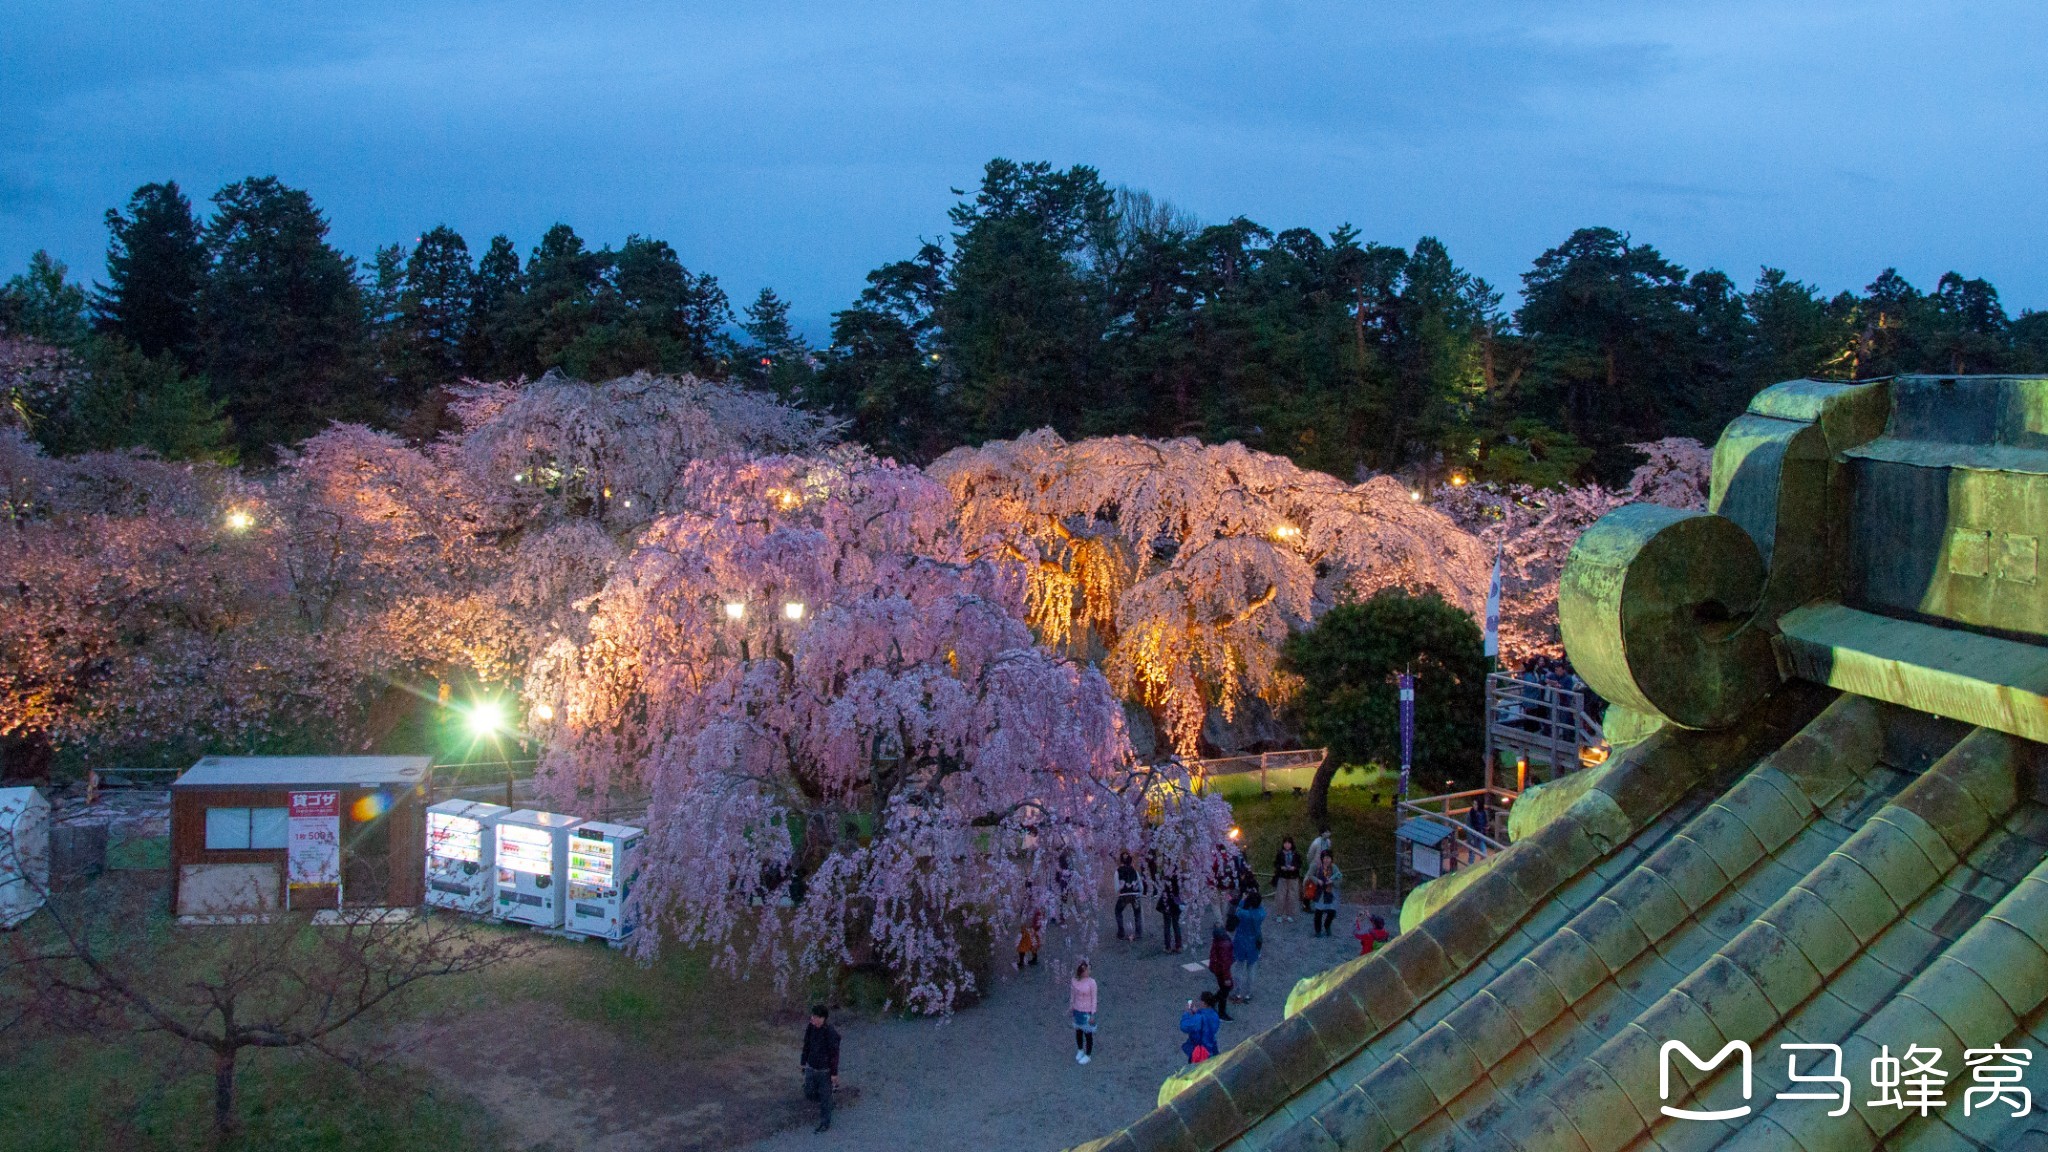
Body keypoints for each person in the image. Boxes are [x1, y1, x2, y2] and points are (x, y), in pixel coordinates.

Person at [800, 1004, 840, 1133]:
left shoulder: (830, 1032)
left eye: (816, 1017)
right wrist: (803, 1061)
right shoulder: (810, 1028)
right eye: (812, 1016)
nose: (812, 1018)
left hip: (824, 1071)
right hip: (811, 1067)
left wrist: (834, 1073)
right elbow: (806, 1045)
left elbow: (834, 1054)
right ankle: (828, 1103)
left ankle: (825, 1122)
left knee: (824, 1097)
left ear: (823, 1018)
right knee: (809, 1092)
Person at [1230, 890, 1266, 1002]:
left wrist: (1242, 900)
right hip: (1254, 942)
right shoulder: (1261, 914)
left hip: (1241, 941)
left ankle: (1238, 992)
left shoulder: (1243, 914)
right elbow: (1260, 908)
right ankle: (1248, 994)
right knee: (1251, 968)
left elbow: (1237, 911)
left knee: (1239, 967)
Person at [1180, 990, 1222, 1063]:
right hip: (1210, 1046)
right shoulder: (1215, 1014)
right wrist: (1197, 1012)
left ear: (1204, 1003)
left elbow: (1184, 1026)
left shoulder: (1199, 1018)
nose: (1199, 1001)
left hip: (1199, 1048)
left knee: (1195, 1065)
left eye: (1200, 1000)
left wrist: (1187, 1013)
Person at [1070, 959, 1099, 1064]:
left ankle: (1088, 1055)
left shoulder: (1092, 983)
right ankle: (1080, 1050)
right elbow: (1073, 995)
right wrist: (1072, 1007)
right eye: (1087, 970)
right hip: (1077, 1010)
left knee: (1088, 1034)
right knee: (1078, 1032)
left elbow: (1094, 999)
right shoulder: (1074, 980)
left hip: (1087, 1012)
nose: (1089, 971)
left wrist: (1092, 1014)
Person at [1308, 849, 1342, 937]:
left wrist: (1332, 882)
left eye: (1328, 858)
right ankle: (1318, 931)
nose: (1326, 860)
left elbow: (1339, 879)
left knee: (1331, 912)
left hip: (1331, 893)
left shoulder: (1334, 867)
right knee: (1318, 912)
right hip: (1320, 893)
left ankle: (1327, 926)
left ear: (1331, 859)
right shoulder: (1317, 866)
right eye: (1324, 858)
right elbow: (1310, 875)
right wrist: (1317, 880)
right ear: (1322, 858)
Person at [1270, 837, 1303, 922]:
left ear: (1292, 844)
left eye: (1289, 843)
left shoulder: (1296, 854)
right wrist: (1281, 867)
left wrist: (1294, 867)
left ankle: (1290, 914)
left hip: (1293, 877)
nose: (1287, 845)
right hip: (1282, 876)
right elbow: (1276, 864)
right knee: (1280, 896)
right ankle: (1279, 914)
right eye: (1285, 843)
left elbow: (1299, 864)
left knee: (1292, 896)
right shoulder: (1280, 853)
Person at [1206, 926, 1235, 1021]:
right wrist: (1227, 978)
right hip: (1221, 970)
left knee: (1224, 989)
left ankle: (1212, 1001)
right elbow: (1225, 964)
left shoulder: (1218, 942)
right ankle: (1221, 1013)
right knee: (1225, 990)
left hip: (1216, 968)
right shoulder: (1225, 945)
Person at [1114, 852, 1144, 941]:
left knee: (1118, 911)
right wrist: (1140, 893)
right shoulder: (1134, 870)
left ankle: (1121, 933)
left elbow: (1116, 887)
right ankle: (1138, 933)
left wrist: (1119, 893)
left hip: (1124, 895)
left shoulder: (1118, 871)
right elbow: (1140, 884)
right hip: (1135, 894)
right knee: (1137, 913)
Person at [1157, 872, 1184, 953]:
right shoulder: (1177, 874)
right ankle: (1178, 946)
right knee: (1176, 925)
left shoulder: (1166, 873)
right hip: (1176, 903)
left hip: (1167, 903)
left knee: (1167, 926)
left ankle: (1168, 947)